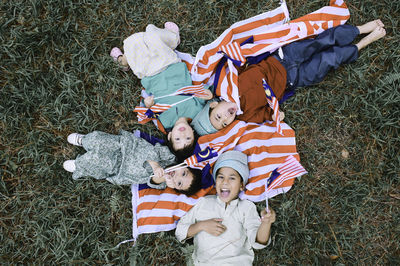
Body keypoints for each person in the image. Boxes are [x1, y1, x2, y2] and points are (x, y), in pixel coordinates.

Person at [190, 20, 386, 135]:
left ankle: (359, 30)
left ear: (215, 104)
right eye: (225, 123)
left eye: (218, 115)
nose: (226, 117)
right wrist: (276, 115)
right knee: (328, 62)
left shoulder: (226, 85)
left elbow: (235, 64)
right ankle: (362, 44)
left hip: (282, 59)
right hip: (293, 79)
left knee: (320, 42)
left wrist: (238, 59)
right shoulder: (245, 115)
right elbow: (265, 114)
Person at [175, 150, 276, 265]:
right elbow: (180, 232)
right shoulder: (203, 203)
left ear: (241, 185)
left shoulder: (246, 207)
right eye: (221, 177)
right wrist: (201, 225)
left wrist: (266, 223)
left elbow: (258, 242)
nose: (225, 182)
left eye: (232, 178)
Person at [110, 22, 213, 131]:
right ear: (192, 133)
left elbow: (143, 116)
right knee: (152, 35)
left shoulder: (165, 122)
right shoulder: (196, 112)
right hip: (171, 65)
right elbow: (201, 95)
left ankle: (125, 61)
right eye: (188, 138)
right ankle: (174, 38)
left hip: (150, 76)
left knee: (133, 46)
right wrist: (208, 93)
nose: (182, 135)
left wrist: (147, 105)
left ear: (170, 136)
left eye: (177, 139)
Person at [62, 118, 203, 196]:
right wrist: (155, 164)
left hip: (120, 168)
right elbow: (150, 150)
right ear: (184, 166)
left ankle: (80, 164)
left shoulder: (162, 182)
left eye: (179, 183)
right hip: (125, 147)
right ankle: (84, 141)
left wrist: (163, 176)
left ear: (175, 188)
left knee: (97, 162)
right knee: (98, 139)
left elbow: (152, 180)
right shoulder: (169, 157)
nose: (177, 176)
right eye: (183, 173)